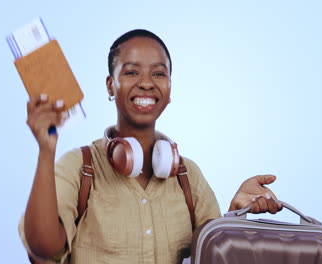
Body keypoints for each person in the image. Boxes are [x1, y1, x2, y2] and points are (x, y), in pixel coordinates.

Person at [19, 29, 282, 264]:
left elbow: (215, 256)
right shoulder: (79, 166)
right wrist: (46, 150)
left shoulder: (188, 176)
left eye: (158, 73)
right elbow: (43, 249)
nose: (146, 82)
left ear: (169, 88)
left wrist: (236, 215)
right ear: (111, 85)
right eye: (131, 72)